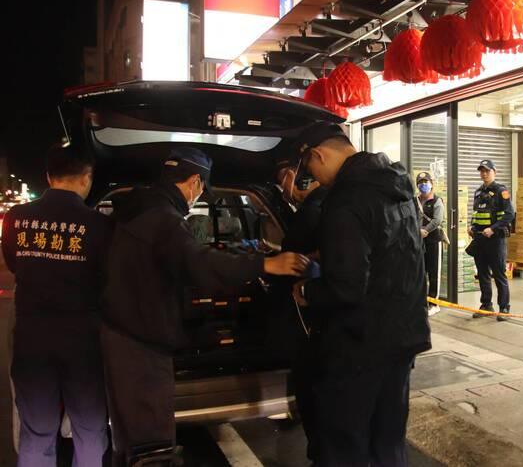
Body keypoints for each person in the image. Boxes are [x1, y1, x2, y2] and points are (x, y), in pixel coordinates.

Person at [100, 147, 308, 467]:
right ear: (195, 181)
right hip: (142, 345)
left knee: (131, 435)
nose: (199, 195)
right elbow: (200, 264)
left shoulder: (135, 209)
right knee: (151, 441)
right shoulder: (163, 219)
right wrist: (266, 264)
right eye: (201, 189)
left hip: (124, 334)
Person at [290, 123, 431, 467]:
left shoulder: (345, 200)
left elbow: (346, 288)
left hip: (359, 345)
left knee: (343, 443)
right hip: (403, 336)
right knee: (388, 441)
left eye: (309, 169)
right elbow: (394, 251)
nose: (313, 179)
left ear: (319, 155)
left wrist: (306, 290)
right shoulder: (397, 184)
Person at [2, 146, 112, 467]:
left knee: (36, 432)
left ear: (49, 177)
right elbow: (108, 278)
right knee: (89, 429)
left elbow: (14, 263)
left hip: (32, 336)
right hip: (82, 340)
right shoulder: (98, 224)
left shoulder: (16, 218)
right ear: (86, 178)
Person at [275, 158, 328, 463]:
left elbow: (295, 256)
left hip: (311, 310)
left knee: (311, 386)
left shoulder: (314, 209)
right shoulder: (330, 204)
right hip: (325, 314)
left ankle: (320, 452)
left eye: (284, 178)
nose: (284, 187)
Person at [469, 160, 514, 322]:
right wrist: (472, 227)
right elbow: (476, 214)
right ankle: (486, 305)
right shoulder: (478, 192)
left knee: (499, 274)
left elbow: (510, 214)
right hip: (480, 239)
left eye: (487, 171)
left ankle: (504, 308)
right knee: (482, 274)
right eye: (481, 171)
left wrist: (493, 228)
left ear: (494, 172)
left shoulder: (502, 191)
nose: (484, 174)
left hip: (496, 239)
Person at [416, 172, 445, 317]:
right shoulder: (415, 201)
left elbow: (438, 219)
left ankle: (434, 304)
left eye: (425, 182)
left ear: (431, 184)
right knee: (421, 272)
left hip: (433, 240)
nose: (423, 185)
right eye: (420, 182)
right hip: (418, 240)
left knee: (434, 273)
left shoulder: (437, 201)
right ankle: (422, 302)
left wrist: (426, 230)